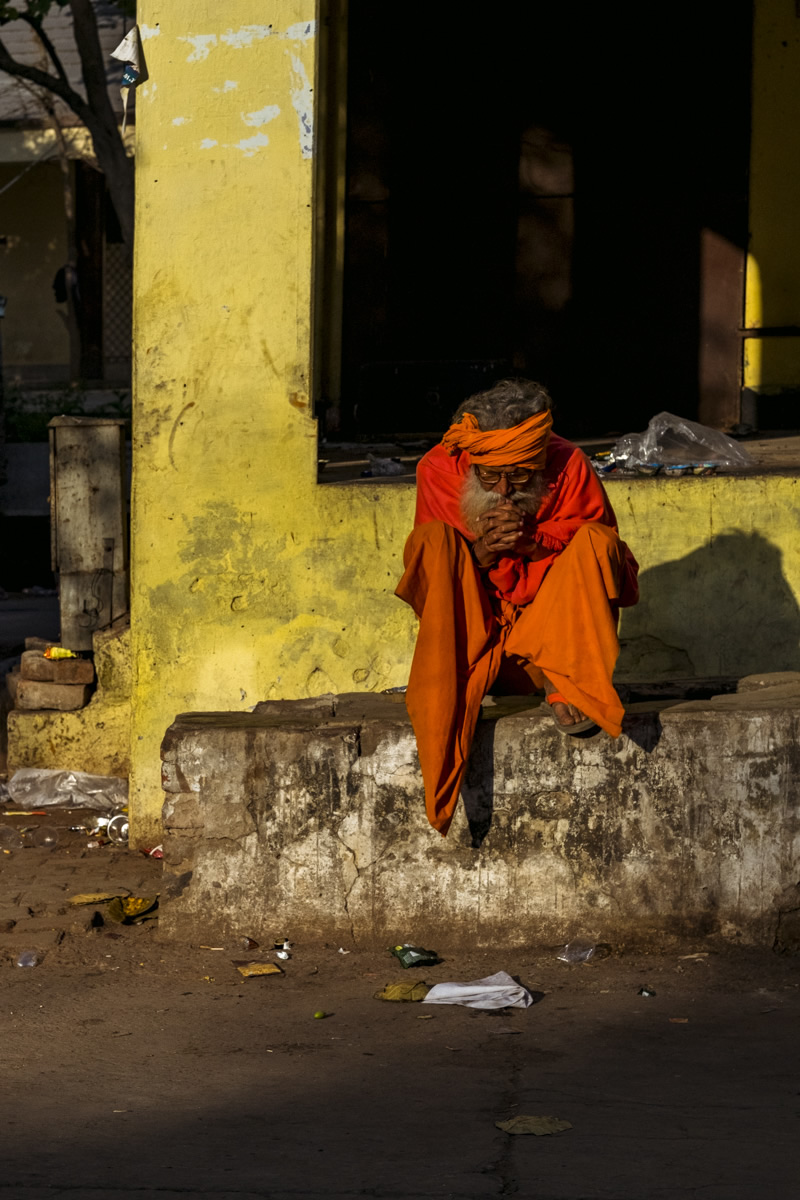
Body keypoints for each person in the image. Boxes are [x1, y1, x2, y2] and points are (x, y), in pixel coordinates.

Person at [395, 378, 639, 837]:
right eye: (490, 476)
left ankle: (566, 680)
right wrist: (483, 550)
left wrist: (533, 544)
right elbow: (438, 582)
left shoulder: (569, 464)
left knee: (596, 543)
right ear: (471, 462)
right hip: (475, 647)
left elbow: (609, 571)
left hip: (550, 645)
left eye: (522, 475)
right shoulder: (437, 469)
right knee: (432, 543)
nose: (505, 489)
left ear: (543, 458)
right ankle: (448, 697)